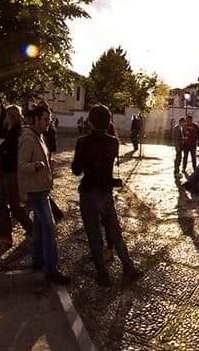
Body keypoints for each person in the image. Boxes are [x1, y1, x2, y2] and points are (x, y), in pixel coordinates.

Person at [71, 105, 142, 286]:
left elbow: (76, 170)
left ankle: (102, 273)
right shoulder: (113, 142)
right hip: (105, 191)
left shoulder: (82, 142)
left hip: (88, 192)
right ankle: (128, 267)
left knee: (94, 235)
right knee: (115, 232)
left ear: (90, 121)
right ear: (109, 121)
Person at [17, 103, 69, 285]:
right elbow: (22, 165)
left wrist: (48, 162)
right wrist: (36, 166)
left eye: (49, 120)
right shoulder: (28, 139)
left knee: (39, 228)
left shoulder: (40, 137)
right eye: (45, 120)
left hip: (42, 187)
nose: (48, 123)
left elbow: (40, 159)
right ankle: (51, 269)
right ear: (36, 119)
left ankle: (37, 261)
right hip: (36, 190)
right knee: (49, 228)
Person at [0, 105, 33, 247]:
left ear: (10, 117)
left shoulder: (15, 133)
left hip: (10, 173)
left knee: (13, 206)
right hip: (8, 172)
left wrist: (0, 150)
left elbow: (5, 150)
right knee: (2, 204)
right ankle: (5, 236)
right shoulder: (15, 132)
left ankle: (32, 229)